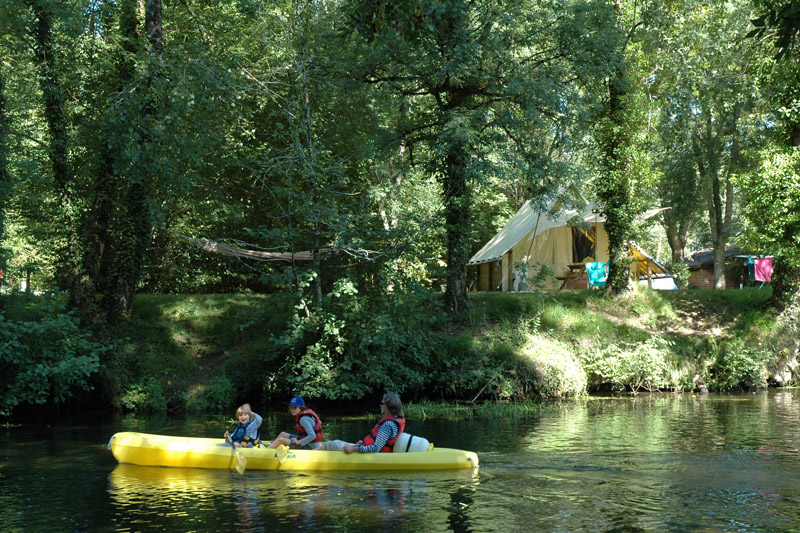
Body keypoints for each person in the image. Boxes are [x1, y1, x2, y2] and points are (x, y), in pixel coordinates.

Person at [316, 393, 404, 453]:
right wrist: (361, 444)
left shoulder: (388, 425)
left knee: (331, 444)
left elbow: (376, 448)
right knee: (334, 443)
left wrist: (354, 449)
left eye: (382, 403)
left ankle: (307, 456)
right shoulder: (391, 422)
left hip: (371, 456)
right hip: (364, 449)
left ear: (388, 406)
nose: (380, 405)